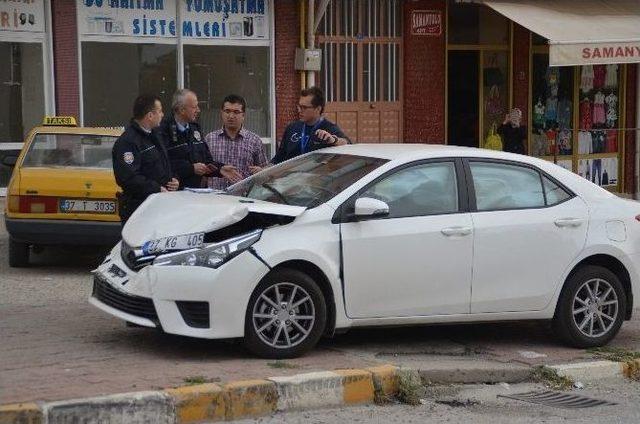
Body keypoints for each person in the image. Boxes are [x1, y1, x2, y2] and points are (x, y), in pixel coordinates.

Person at [112, 94, 178, 223]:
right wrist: (157, 188)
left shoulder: (155, 136)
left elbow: (164, 164)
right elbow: (128, 177)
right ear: (150, 115)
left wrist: (174, 179)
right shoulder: (128, 142)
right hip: (139, 209)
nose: (163, 115)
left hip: (158, 206)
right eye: (160, 111)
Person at [156, 89, 241, 189]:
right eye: (194, 107)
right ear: (182, 110)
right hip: (174, 193)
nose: (198, 110)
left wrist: (220, 169)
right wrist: (191, 169)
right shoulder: (162, 130)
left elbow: (205, 159)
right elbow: (161, 164)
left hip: (195, 192)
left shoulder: (195, 128)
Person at [272, 86, 350, 164]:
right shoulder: (292, 128)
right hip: (292, 175)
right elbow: (279, 158)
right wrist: (264, 169)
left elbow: (347, 144)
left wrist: (333, 140)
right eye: (299, 106)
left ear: (318, 109)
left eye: (304, 107)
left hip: (315, 175)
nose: (299, 110)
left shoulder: (328, 128)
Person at [205, 94, 269, 189]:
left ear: (243, 115)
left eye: (236, 112)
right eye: (227, 111)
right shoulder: (210, 139)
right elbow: (204, 169)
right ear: (221, 113)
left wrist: (261, 171)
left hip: (243, 198)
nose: (231, 116)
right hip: (215, 198)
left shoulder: (254, 141)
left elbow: (265, 171)